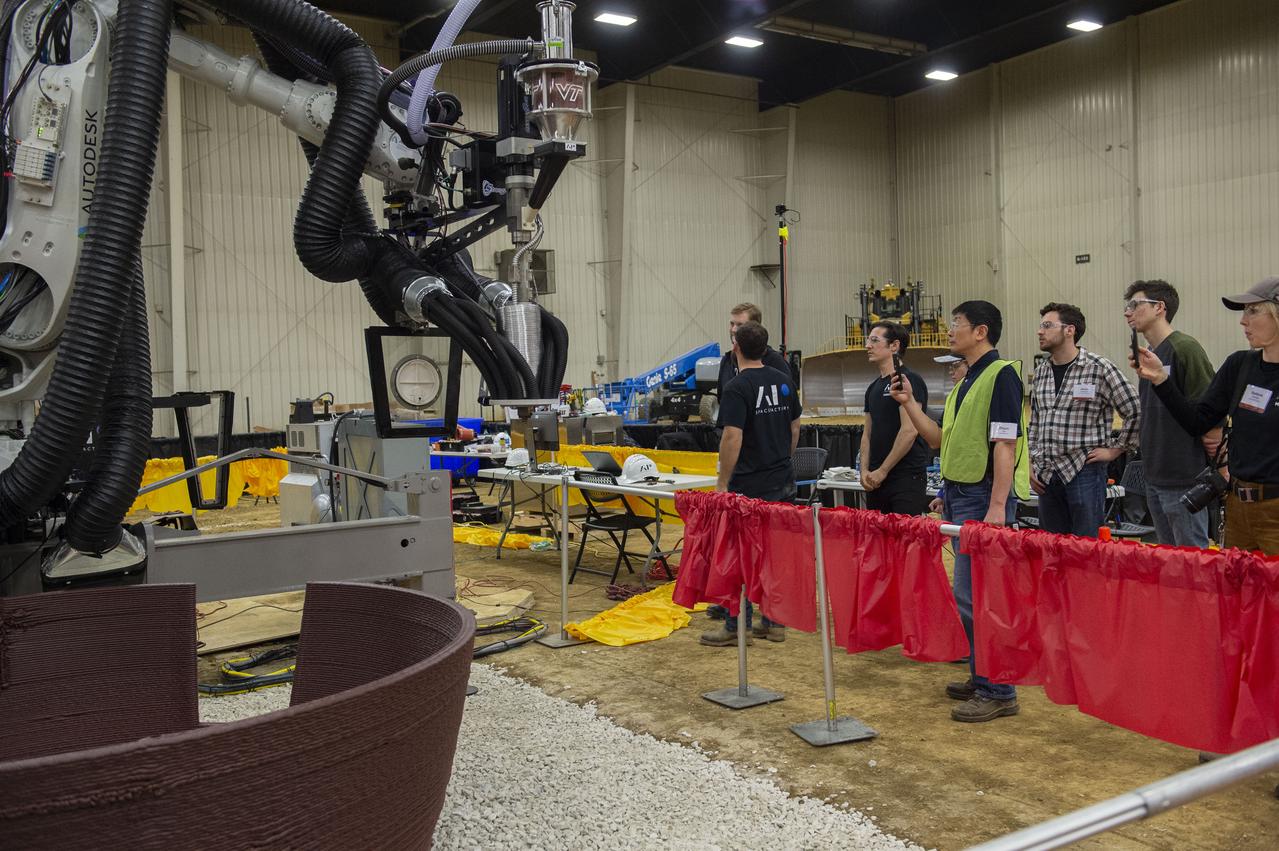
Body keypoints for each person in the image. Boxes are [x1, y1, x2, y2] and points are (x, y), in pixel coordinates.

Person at [890, 300, 1029, 723]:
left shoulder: (1001, 376)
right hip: (962, 495)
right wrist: (909, 403)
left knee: (982, 597)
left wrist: (998, 505)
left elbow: (1005, 443)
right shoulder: (968, 381)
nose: (950, 331)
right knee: (968, 596)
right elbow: (938, 441)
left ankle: (998, 690)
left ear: (980, 331)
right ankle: (982, 675)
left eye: (957, 324)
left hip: (983, 498)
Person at [1133, 277, 1279, 556]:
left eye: (1253, 311)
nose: (1243, 321)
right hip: (1239, 507)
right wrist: (1162, 380)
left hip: (1275, 507)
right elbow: (1197, 421)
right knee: (1236, 582)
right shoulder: (1240, 365)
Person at [702, 321, 800, 647]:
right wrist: (781, 459)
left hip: (748, 484)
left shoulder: (737, 387)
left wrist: (722, 481)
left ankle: (736, 626)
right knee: (774, 556)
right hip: (782, 480)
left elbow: (732, 436)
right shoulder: (784, 381)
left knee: (739, 557)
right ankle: (774, 623)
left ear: (736, 349)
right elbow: (795, 428)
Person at [1028, 303, 1140, 537]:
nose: (1040, 331)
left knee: (1086, 547)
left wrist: (1116, 450)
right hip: (1046, 475)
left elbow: (1135, 410)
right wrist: (1030, 463)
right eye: (1040, 326)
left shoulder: (1099, 368)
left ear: (1069, 330)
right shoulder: (1041, 372)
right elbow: (1035, 422)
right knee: (1051, 547)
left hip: (1083, 471)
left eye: (1047, 325)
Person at [1125, 280, 1220, 548]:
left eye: (1135, 304)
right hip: (1154, 473)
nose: (1127, 312)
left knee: (1192, 558)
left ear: (1159, 308)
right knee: (1168, 560)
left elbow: (1210, 409)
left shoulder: (1185, 348)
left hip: (1183, 476)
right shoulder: (1149, 355)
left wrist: (1214, 445)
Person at [860, 321, 930, 515]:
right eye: (868, 340)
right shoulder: (872, 388)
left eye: (874, 340)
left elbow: (909, 431)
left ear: (894, 346)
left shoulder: (909, 380)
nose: (868, 345)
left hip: (905, 479)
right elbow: (867, 434)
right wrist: (864, 471)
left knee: (905, 534)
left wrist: (883, 470)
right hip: (876, 480)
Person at [715, 302, 792, 428]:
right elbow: (723, 401)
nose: (734, 329)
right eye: (732, 324)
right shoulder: (727, 361)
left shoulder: (775, 362)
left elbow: (789, 406)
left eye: (740, 325)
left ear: (755, 328)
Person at [929, 356, 968, 515]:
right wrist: (943, 494)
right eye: (950, 368)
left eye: (956, 366)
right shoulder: (954, 398)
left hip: (974, 492)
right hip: (954, 488)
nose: (951, 372)